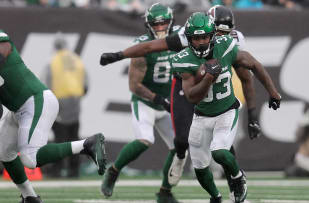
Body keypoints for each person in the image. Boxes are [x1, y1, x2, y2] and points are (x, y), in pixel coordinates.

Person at [100, 6, 264, 202]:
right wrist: (119, 55)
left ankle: (229, 185)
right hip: (174, 92)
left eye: (224, 32)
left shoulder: (231, 42)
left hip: (208, 91)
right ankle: (127, 169)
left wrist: (253, 114)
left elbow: (246, 77)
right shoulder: (185, 36)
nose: (219, 36)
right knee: (173, 141)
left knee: (222, 144)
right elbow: (148, 49)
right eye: (216, 32)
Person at [170, 12, 281, 203]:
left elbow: (254, 65)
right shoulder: (183, 59)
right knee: (200, 168)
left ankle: (238, 178)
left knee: (220, 151)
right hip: (201, 115)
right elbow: (191, 96)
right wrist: (208, 78)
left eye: (205, 37)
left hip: (226, 111)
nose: (202, 42)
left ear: (213, 35)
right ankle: (216, 197)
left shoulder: (226, 46)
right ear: (189, 39)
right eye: (196, 38)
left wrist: (273, 92)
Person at [0, 30, 106, 203]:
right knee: (4, 152)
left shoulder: (2, 40)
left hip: (35, 100)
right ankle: (30, 197)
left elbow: (4, 48)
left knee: (30, 158)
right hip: (18, 108)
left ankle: (86, 145)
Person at [100, 3, 181, 203]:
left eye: (164, 24)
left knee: (180, 148)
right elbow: (134, 85)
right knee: (145, 140)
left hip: (168, 100)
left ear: (171, 23)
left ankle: (165, 191)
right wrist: (158, 99)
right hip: (146, 101)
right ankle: (113, 171)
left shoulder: (181, 38)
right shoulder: (142, 46)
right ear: (148, 25)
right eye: (156, 24)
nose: (161, 28)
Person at [42, 33, 89, 178]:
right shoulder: (77, 60)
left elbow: (44, 83)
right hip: (75, 101)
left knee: (59, 138)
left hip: (58, 101)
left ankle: (57, 169)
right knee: (74, 136)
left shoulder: (52, 61)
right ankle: (74, 170)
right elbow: (86, 84)